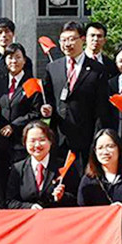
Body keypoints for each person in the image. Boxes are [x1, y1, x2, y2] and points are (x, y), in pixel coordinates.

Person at [41, 21, 108, 170]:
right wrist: (46, 109)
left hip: (85, 138)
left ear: (82, 39)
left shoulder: (98, 70)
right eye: (63, 40)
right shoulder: (52, 67)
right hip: (59, 138)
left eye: (71, 39)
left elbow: (101, 109)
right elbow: (48, 98)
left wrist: (97, 140)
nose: (67, 44)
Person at [0, 43, 42, 204]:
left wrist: (14, 126)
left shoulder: (32, 84)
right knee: (0, 178)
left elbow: (35, 112)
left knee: (19, 178)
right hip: (1, 141)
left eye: (18, 57)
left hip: (21, 141)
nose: (14, 61)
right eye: (10, 57)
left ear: (24, 60)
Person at [5, 120, 76, 209]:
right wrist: (29, 207)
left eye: (42, 140)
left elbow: (77, 199)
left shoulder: (64, 166)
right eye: (32, 141)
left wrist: (62, 197)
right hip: (29, 216)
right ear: (25, 143)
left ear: (50, 141)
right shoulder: (17, 169)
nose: (37, 145)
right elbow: (10, 202)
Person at [0, 17, 32, 82]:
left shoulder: (24, 61)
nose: (4, 35)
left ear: (13, 34)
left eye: (7, 31)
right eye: (0, 32)